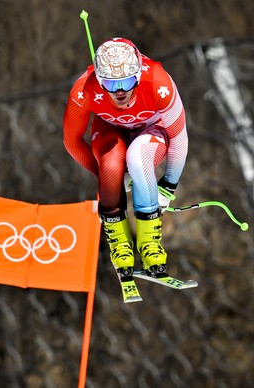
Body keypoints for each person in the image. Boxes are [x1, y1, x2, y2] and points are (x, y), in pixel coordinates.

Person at [63, 37, 188, 281]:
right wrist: (107, 178)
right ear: (99, 80)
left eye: (128, 81)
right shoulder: (84, 89)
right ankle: (120, 245)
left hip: (152, 129)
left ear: (138, 75)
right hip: (111, 129)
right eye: (111, 84)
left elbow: (179, 136)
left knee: (138, 158)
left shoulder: (158, 81)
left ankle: (150, 245)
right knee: (111, 165)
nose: (120, 91)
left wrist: (168, 185)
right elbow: (72, 141)